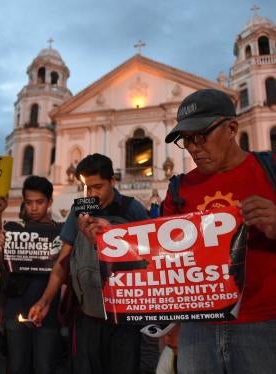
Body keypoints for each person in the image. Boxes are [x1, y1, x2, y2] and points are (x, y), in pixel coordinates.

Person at [163, 88, 276, 373]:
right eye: (186, 140)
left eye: (201, 136)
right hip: (197, 329)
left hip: (264, 323)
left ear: (232, 128)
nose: (194, 147)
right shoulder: (179, 188)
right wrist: (109, 236)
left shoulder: (270, 170)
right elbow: (161, 259)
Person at [29, 153, 150, 374]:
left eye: (98, 187)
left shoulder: (133, 210)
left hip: (125, 318)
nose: (92, 194)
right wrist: (45, 300)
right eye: (87, 188)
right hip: (88, 315)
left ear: (113, 181)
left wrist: (109, 238)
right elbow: (62, 263)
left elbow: (150, 261)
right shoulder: (79, 212)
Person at [0, 175, 62, 374]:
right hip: (16, 306)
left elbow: (65, 271)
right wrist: (0, 304)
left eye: (39, 202)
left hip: (48, 309)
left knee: (45, 366)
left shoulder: (61, 232)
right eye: (29, 202)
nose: (34, 208)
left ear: (50, 202)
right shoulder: (14, 230)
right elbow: (5, 271)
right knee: (16, 365)